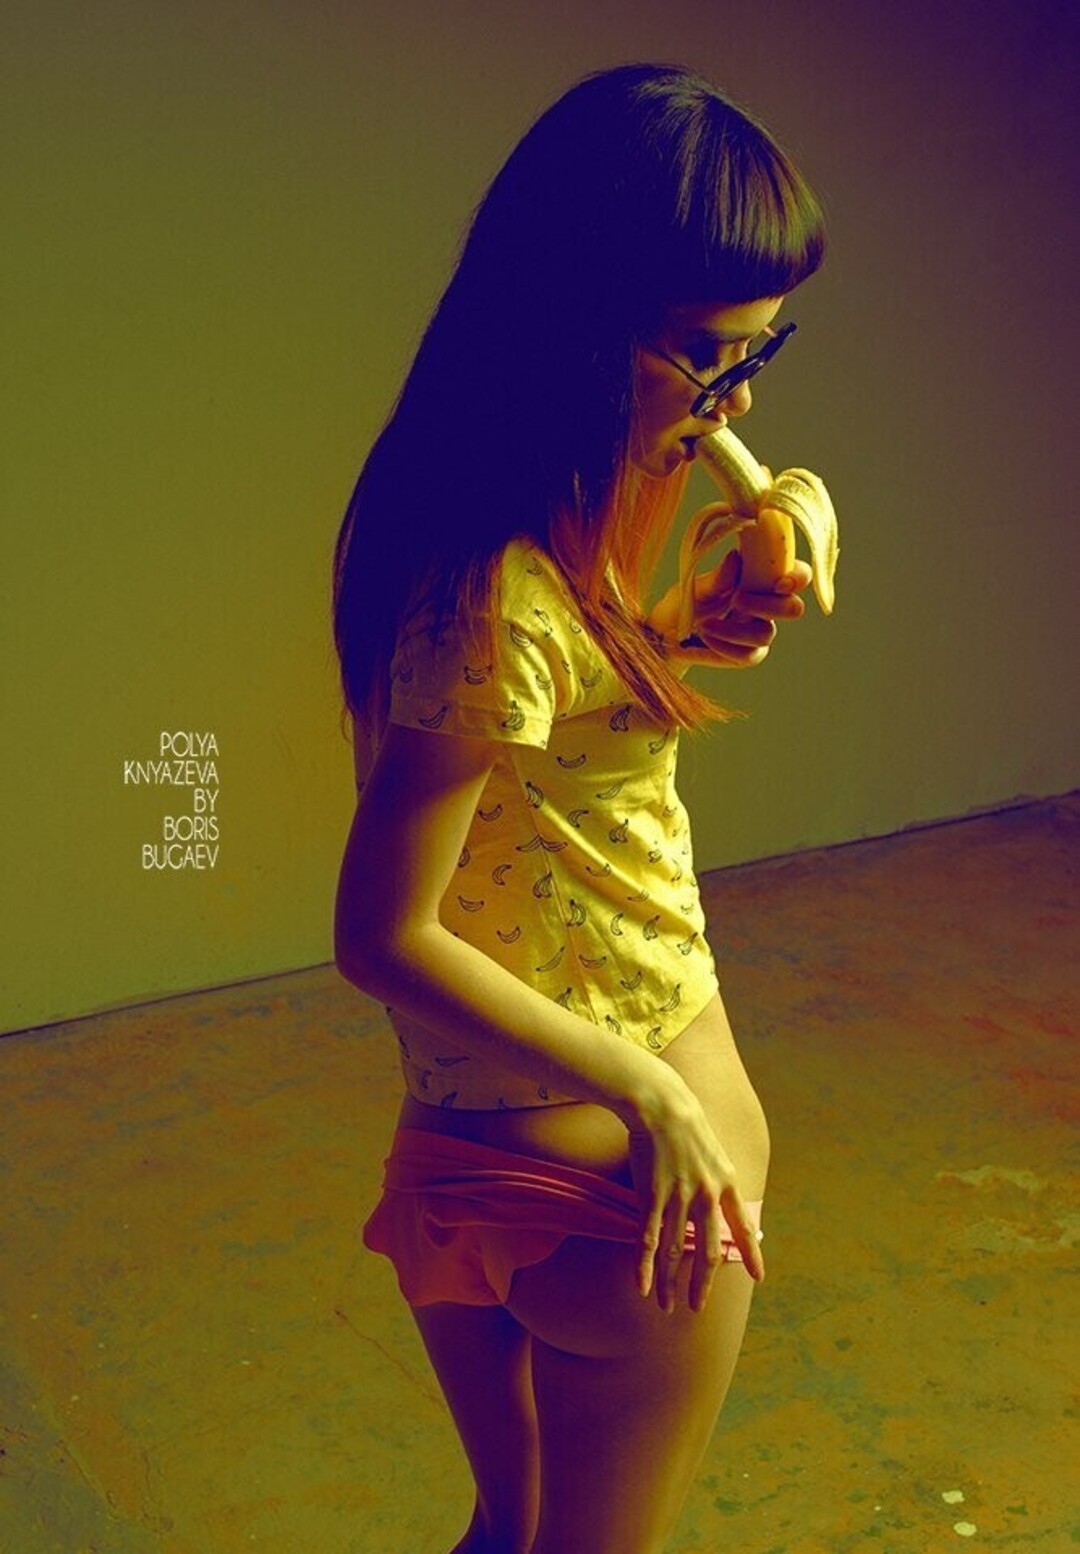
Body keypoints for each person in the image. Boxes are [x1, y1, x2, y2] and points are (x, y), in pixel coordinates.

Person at [332, 62, 825, 1554]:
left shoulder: (469, 514)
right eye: (709, 361)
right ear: (582, 327)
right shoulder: (501, 589)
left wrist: (707, 598)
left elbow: (532, 740)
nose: (737, 402)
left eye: (757, 353)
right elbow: (380, 933)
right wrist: (654, 1093)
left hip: (463, 1164)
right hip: (626, 1190)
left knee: (510, 1531)